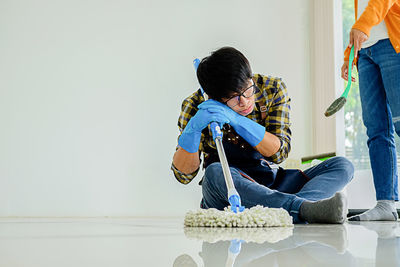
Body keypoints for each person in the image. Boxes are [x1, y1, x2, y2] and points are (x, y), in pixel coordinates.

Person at [172, 47, 354, 224]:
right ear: (215, 97)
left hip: (270, 182)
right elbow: (183, 176)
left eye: (246, 90)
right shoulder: (195, 104)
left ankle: (296, 208)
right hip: (229, 191)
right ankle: (302, 209)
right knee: (214, 172)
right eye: (232, 98)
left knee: (342, 166)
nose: (244, 101)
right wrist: (193, 129)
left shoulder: (272, 89)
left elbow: (279, 153)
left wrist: (236, 119)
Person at [341, 0, 400, 221]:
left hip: (394, 46)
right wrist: (350, 53)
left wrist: (363, 26)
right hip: (365, 52)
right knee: (376, 130)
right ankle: (386, 204)